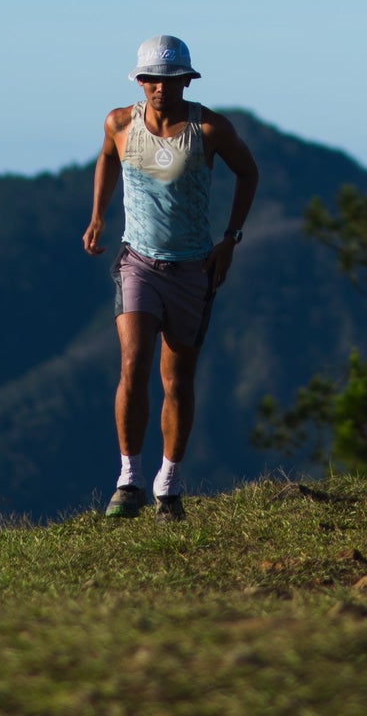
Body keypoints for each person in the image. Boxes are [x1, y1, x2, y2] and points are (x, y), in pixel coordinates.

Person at [83, 35, 259, 520]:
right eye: (152, 80)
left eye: (170, 80)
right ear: (140, 82)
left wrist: (231, 238)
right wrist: (97, 215)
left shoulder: (209, 129)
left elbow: (249, 173)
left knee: (176, 380)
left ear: (186, 80)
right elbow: (106, 158)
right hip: (138, 261)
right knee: (132, 366)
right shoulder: (119, 123)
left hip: (193, 268)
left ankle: (170, 485)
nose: (160, 88)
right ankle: (128, 479)